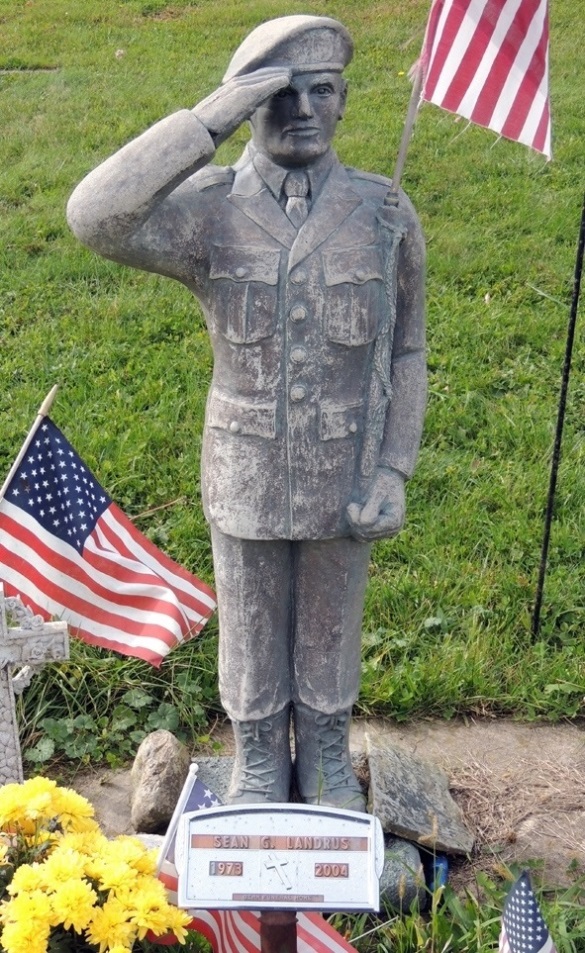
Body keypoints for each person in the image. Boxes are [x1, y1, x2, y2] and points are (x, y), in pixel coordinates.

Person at [67, 15, 426, 812]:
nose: (301, 108)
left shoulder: (383, 211)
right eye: (277, 95)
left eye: (320, 91)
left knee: (332, 616)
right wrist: (205, 122)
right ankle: (259, 755)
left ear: (344, 102)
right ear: (245, 106)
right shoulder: (208, 209)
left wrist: (395, 467)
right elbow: (95, 216)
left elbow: (406, 351)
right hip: (247, 460)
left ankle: (326, 755)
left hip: (345, 465)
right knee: (253, 620)